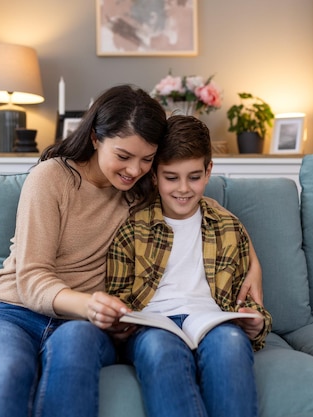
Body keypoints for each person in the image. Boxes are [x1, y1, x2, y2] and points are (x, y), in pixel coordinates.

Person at [0, 84, 168, 417]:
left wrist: (253, 264)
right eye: (123, 156)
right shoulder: (52, 178)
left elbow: (197, 205)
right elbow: (31, 279)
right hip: (13, 313)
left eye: (147, 159)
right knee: (5, 378)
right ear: (96, 138)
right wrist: (90, 304)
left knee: (74, 348)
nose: (134, 170)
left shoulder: (141, 192)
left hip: (83, 327)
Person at [106, 115, 273, 417]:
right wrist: (120, 322)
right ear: (154, 175)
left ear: (209, 171)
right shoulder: (132, 228)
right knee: (160, 350)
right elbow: (116, 296)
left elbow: (248, 301)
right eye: (171, 177)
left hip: (212, 321)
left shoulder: (227, 227)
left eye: (194, 177)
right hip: (153, 325)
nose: (183, 189)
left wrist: (256, 322)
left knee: (231, 344)